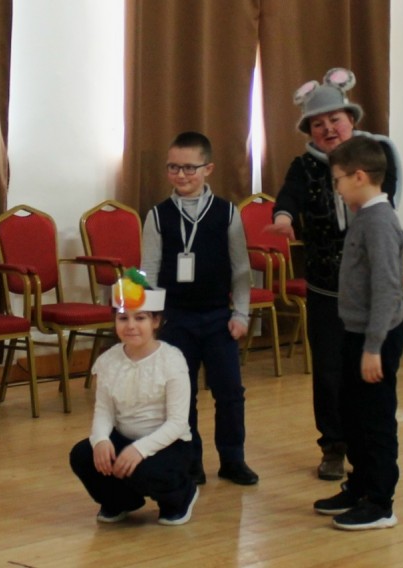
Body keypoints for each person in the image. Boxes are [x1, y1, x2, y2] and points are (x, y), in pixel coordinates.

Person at [269, 68, 403, 481]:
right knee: (328, 372)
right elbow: (288, 197)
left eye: (335, 119)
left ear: (351, 119)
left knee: (368, 375)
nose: (328, 128)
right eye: (318, 123)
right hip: (325, 287)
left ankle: (368, 458)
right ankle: (333, 446)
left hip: (367, 289)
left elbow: (385, 200)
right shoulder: (304, 165)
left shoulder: (376, 154)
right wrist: (284, 216)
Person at [141, 131, 259, 486]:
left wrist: (241, 314)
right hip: (176, 319)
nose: (181, 175)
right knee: (182, 393)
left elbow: (241, 270)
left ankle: (233, 459)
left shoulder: (226, 213)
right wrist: (150, 321)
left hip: (218, 317)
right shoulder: (157, 215)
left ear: (208, 168)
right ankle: (189, 460)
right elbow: (149, 271)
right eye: (173, 167)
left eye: (189, 168)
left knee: (230, 392)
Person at [313, 136, 403, 530]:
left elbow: (387, 287)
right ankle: (360, 486)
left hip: (375, 338)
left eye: (338, 180)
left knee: (375, 421)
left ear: (360, 176)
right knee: (352, 415)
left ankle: (380, 502)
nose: (335, 187)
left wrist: (373, 346)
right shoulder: (364, 216)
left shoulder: (380, 222)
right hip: (357, 333)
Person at [69, 270, 198, 526]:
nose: (130, 326)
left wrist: (139, 449)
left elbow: (177, 423)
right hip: (125, 437)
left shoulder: (172, 360)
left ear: (156, 321)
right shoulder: (108, 360)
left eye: (140, 318)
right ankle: (121, 501)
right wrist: (101, 440)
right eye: (123, 318)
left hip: (167, 444)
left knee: (145, 469)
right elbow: (104, 411)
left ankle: (180, 496)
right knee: (82, 455)